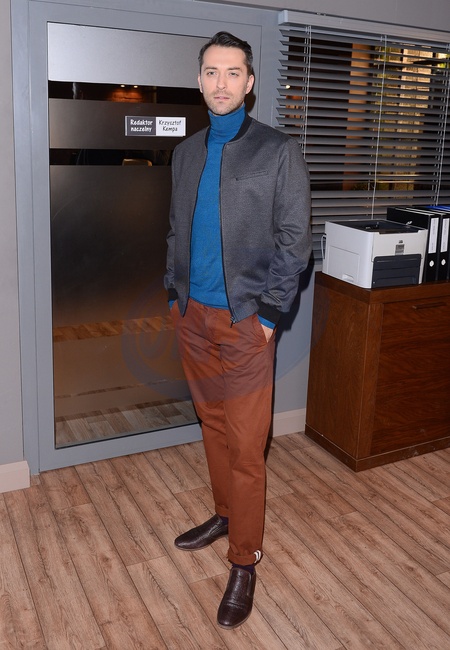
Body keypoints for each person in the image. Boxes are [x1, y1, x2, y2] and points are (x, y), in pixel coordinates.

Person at [164, 31, 312, 629]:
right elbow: (176, 229)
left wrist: (270, 315)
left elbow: (295, 242)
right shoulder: (186, 152)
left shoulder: (278, 151)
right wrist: (173, 294)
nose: (220, 82)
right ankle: (226, 515)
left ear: (250, 83)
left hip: (247, 322)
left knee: (248, 448)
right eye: (211, 72)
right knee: (214, 427)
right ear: (199, 80)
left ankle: (244, 559)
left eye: (232, 73)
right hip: (192, 319)